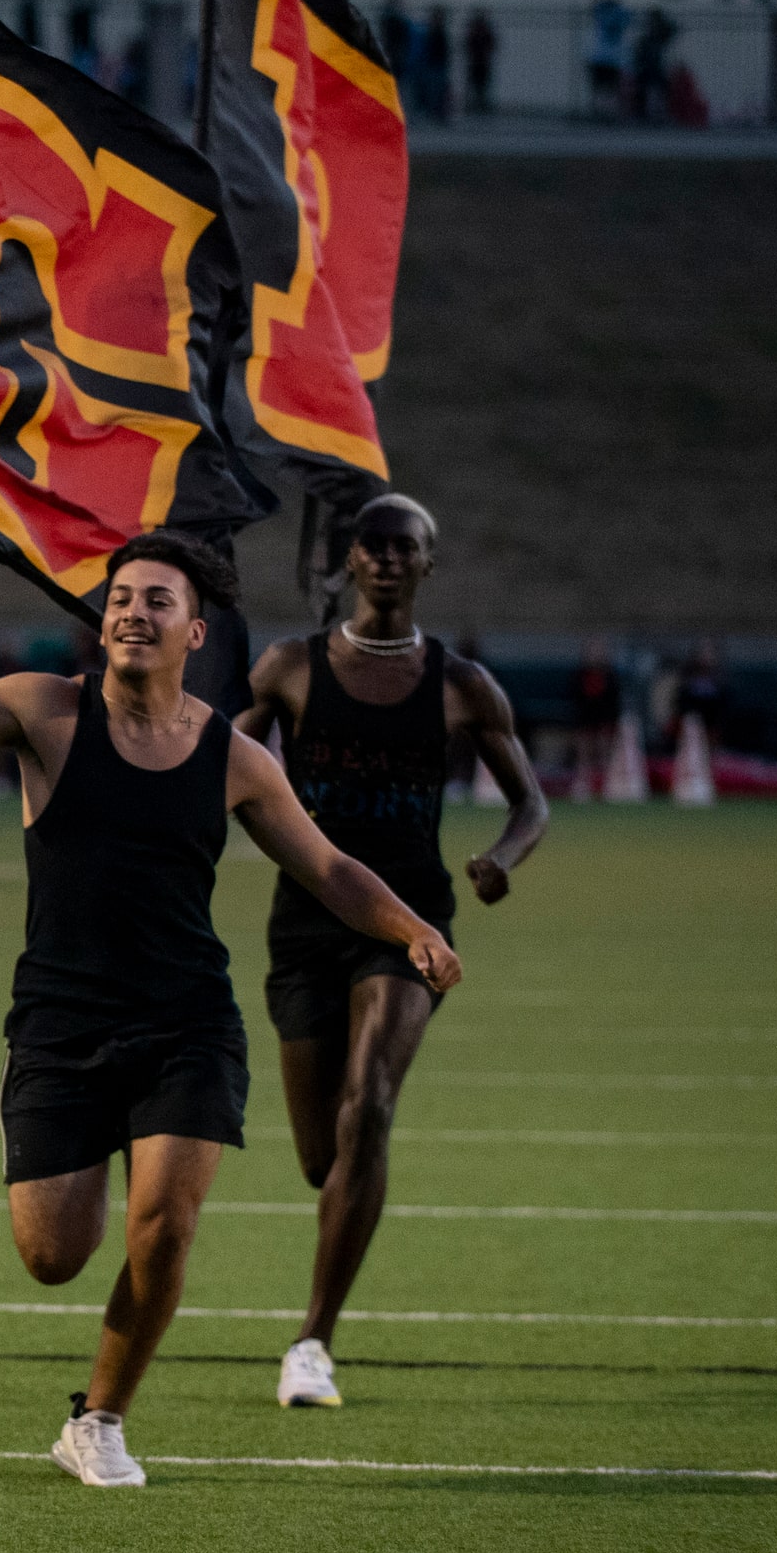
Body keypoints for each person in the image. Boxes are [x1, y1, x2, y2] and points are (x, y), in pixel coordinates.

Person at [0, 529, 460, 1488]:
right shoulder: (42, 711)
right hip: (59, 1023)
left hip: (188, 1024)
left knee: (166, 1224)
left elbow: (330, 868)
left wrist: (409, 929)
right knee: (54, 1255)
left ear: (194, 632)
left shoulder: (235, 756)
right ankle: (85, 1356)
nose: (132, 611)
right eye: (121, 596)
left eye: (156, 601)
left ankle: (100, 1419)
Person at [234, 496, 545, 1411]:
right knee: (322, 1159)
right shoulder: (290, 669)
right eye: (371, 545)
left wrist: (502, 859)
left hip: (412, 925)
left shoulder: (461, 686)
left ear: (427, 565)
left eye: (404, 546)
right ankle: (344, 1218)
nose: (386, 559)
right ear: (347, 563)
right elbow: (209, 759)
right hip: (303, 926)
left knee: (368, 1105)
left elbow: (531, 800)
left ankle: (312, 1343)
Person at [566, 638, 621, 802]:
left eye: (599, 651)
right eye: (592, 651)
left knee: (604, 750)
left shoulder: (609, 675)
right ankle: (583, 786)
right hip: (585, 719)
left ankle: (606, 786)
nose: (595, 654)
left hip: (604, 720)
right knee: (584, 752)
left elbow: (613, 701)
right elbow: (575, 698)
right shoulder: (580, 675)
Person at [587, 0, 631, 117]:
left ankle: (601, 112)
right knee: (609, 88)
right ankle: (606, 112)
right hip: (612, 59)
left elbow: (593, 7)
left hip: (602, 57)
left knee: (601, 88)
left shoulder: (602, 13)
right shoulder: (620, 14)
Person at [461, 8, 497, 116]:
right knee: (475, 86)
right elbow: (467, 45)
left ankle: (480, 106)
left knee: (482, 87)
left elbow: (492, 44)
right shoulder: (475, 31)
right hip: (476, 63)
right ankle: (473, 106)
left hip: (482, 63)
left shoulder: (484, 31)